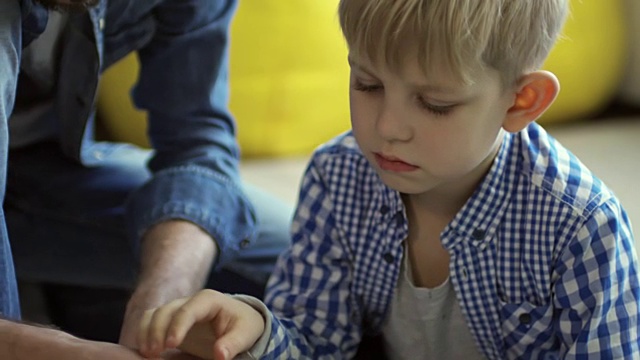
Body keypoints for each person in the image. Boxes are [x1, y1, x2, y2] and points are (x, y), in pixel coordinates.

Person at [136, 0, 640, 359]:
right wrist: (257, 332)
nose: (385, 128)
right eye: (367, 84)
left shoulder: (582, 225)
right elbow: (315, 342)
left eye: (434, 104)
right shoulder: (338, 176)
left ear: (520, 101)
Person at [1, 0, 291, 350]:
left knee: (303, 260)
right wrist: (64, 351)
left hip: (45, 175)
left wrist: (158, 314)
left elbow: (195, 143)